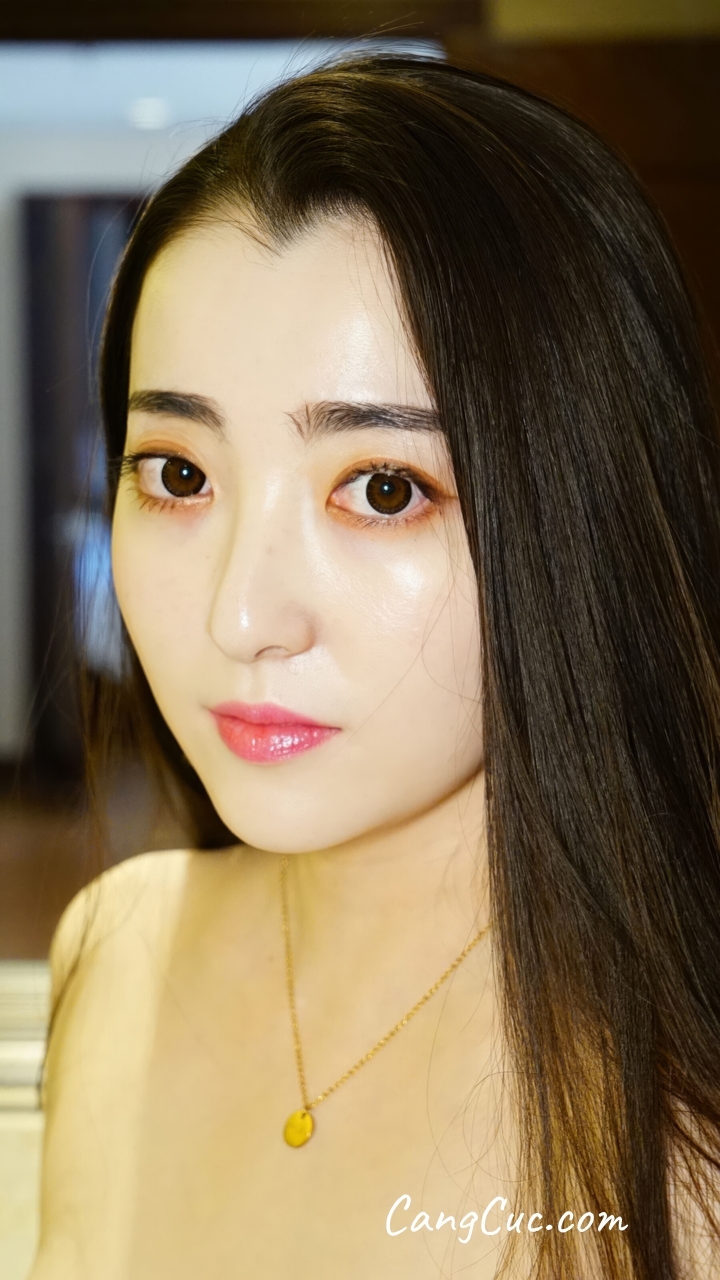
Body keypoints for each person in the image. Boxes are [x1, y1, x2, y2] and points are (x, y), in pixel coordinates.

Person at [30, 52, 720, 1280]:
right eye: (178, 473)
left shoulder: (679, 1129)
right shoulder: (117, 949)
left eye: (383, 489)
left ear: (585, 510)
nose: (243, 614)